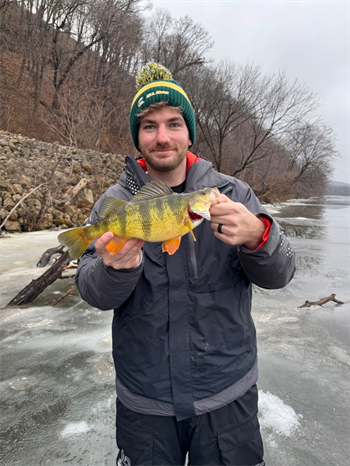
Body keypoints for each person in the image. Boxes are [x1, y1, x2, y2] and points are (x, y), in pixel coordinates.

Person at [76, 62, 295, 466]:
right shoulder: (117, 204)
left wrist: (259, 236)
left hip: (227, 396)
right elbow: (91, 290)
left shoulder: (232, 195)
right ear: (138, 138)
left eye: (174, 123)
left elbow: (281, 274)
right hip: (145, 401)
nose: (162, 137)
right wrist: (113, 270)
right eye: (149, 126)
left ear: (189, 132)